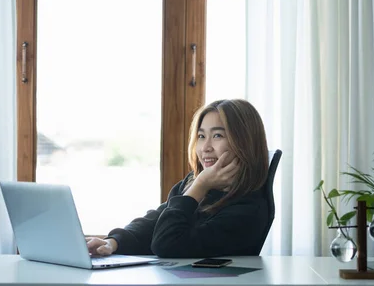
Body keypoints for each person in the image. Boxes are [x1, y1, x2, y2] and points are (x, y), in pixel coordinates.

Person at [86, 99, 270, 258]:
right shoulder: (197, 183)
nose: (205, 147)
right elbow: (156, 220)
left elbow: (166, 244)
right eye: (201, 136)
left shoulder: (249, 211)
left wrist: (200, 186)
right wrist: (113, 242)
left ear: (245, 143)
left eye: (217, 135)